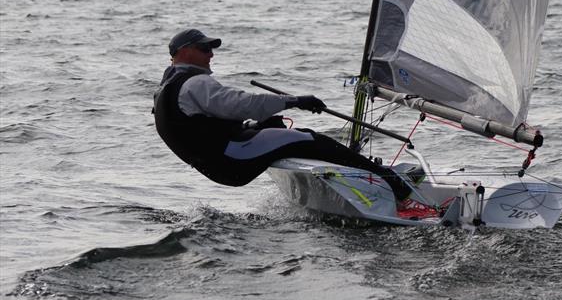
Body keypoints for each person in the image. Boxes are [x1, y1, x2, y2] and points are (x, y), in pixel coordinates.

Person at [152, 28, 414, 203]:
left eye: (211, 49)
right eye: (204, 48)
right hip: (230, 158)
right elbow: (244, 105)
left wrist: (264, 120)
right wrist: (296, 101)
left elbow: (208, 124)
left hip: (217, 161)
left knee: (273, 126)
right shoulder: (195, 84)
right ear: (184, 51)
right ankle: (393, 184)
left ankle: (357, 175)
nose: (211, 54)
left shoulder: (168, 85)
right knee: (310, 139)